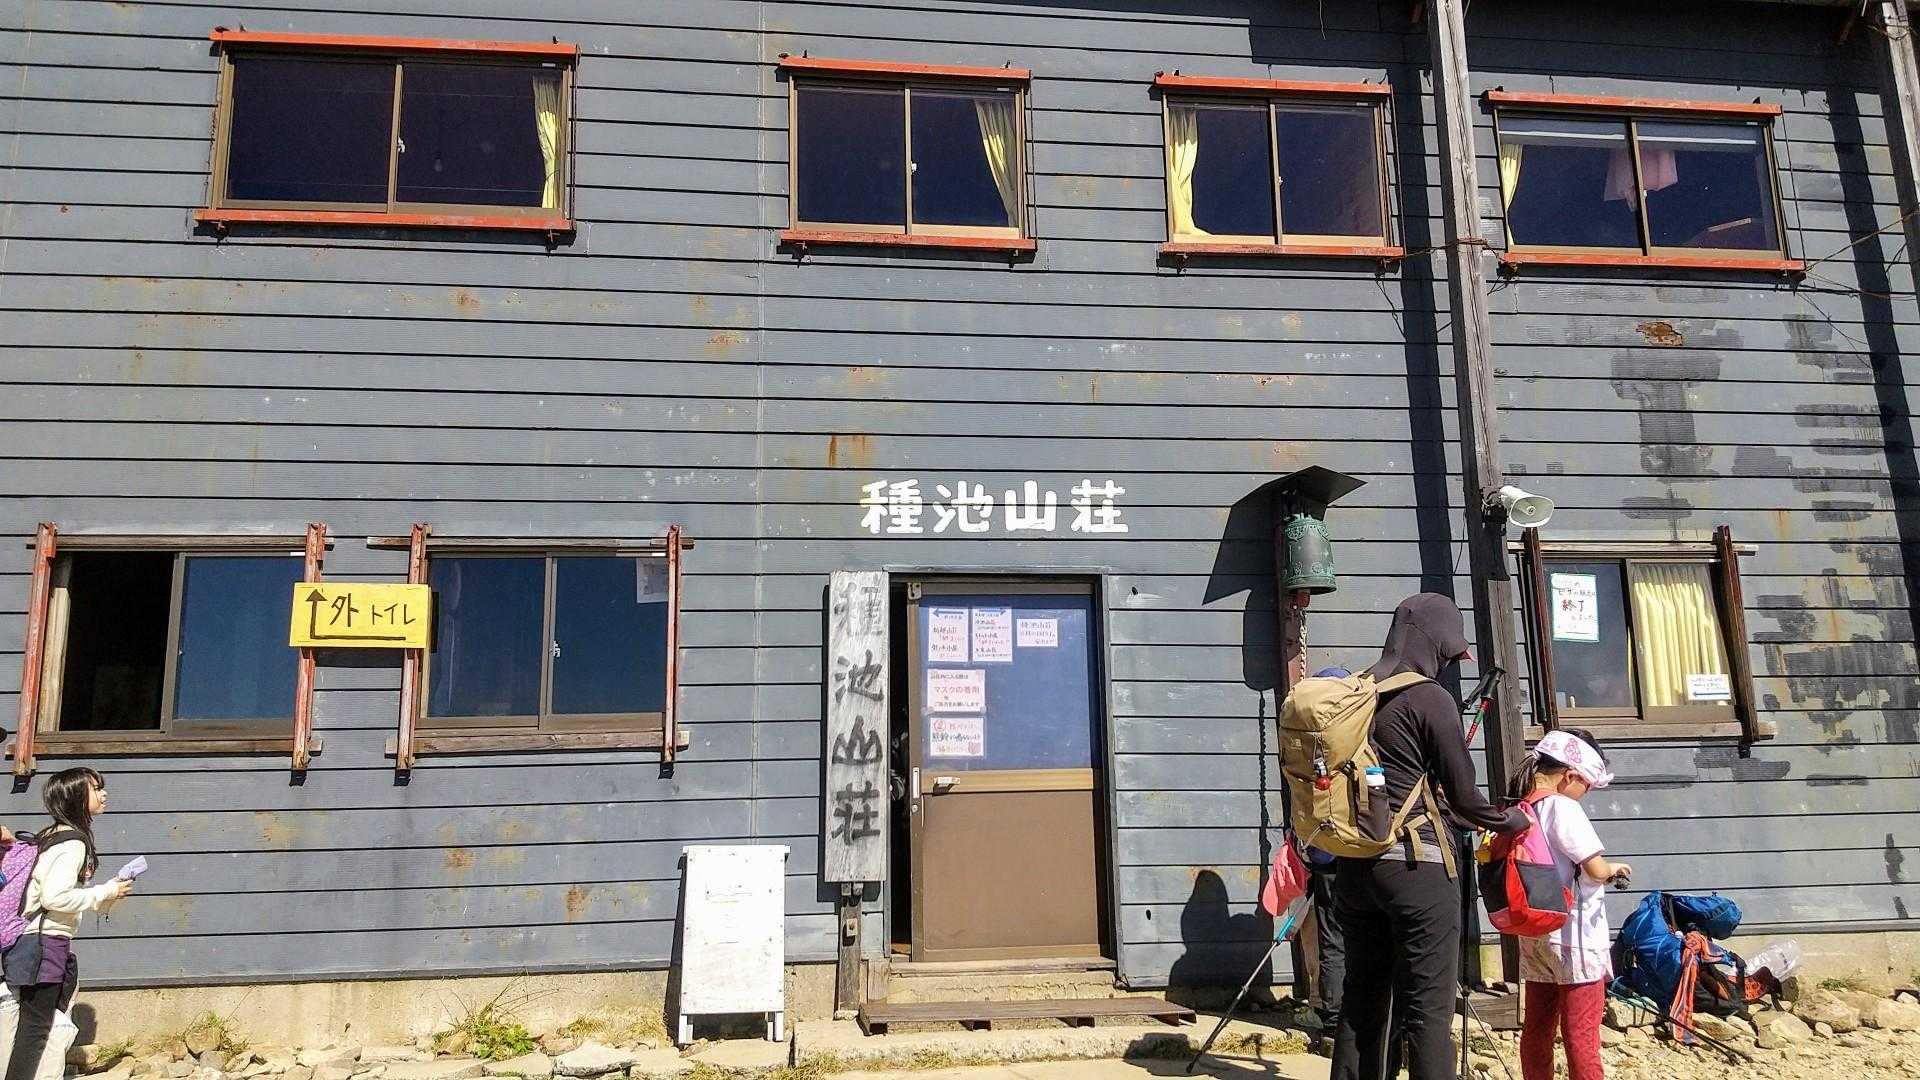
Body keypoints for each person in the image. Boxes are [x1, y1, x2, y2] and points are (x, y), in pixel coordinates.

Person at [1332, 594, 1527, 1080]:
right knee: (1427, 1011)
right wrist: (1514, 821)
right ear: (1434, 641)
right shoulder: (1429, 698)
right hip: (1417, 868)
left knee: (1361, 1001)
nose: (1448, 663)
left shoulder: (1354, 693)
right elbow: (1465, 798)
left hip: (1355, 865)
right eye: (1448, 653)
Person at [1509, 730, 1629, 1080]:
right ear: (1570, 776)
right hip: (1575, 937)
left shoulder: (1522, 806)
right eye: (1586, 786)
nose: (1585, 794)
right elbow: (1595, 869)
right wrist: (1614, 869)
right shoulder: (1563, 807)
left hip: (1535, 933)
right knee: (1581, 1032)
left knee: (1537, 1027)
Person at [6, 768, 132, 1080]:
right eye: (96, 788)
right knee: (36, 1028)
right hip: (44, 942)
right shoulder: (72, 842)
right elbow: (55, 898)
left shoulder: (50, 835)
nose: (104, 794)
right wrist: (104, 892)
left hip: (27, 940)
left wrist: (108, 894)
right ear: (75, 796)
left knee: (29, 1025)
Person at [1301, 667, 1351, 1045]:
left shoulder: (1304, 740)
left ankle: (1333, 1019)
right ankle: (1357, 1017)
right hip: (1359, 848)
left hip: (1322, 851)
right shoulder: (1355, 734)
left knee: (1332, 935)